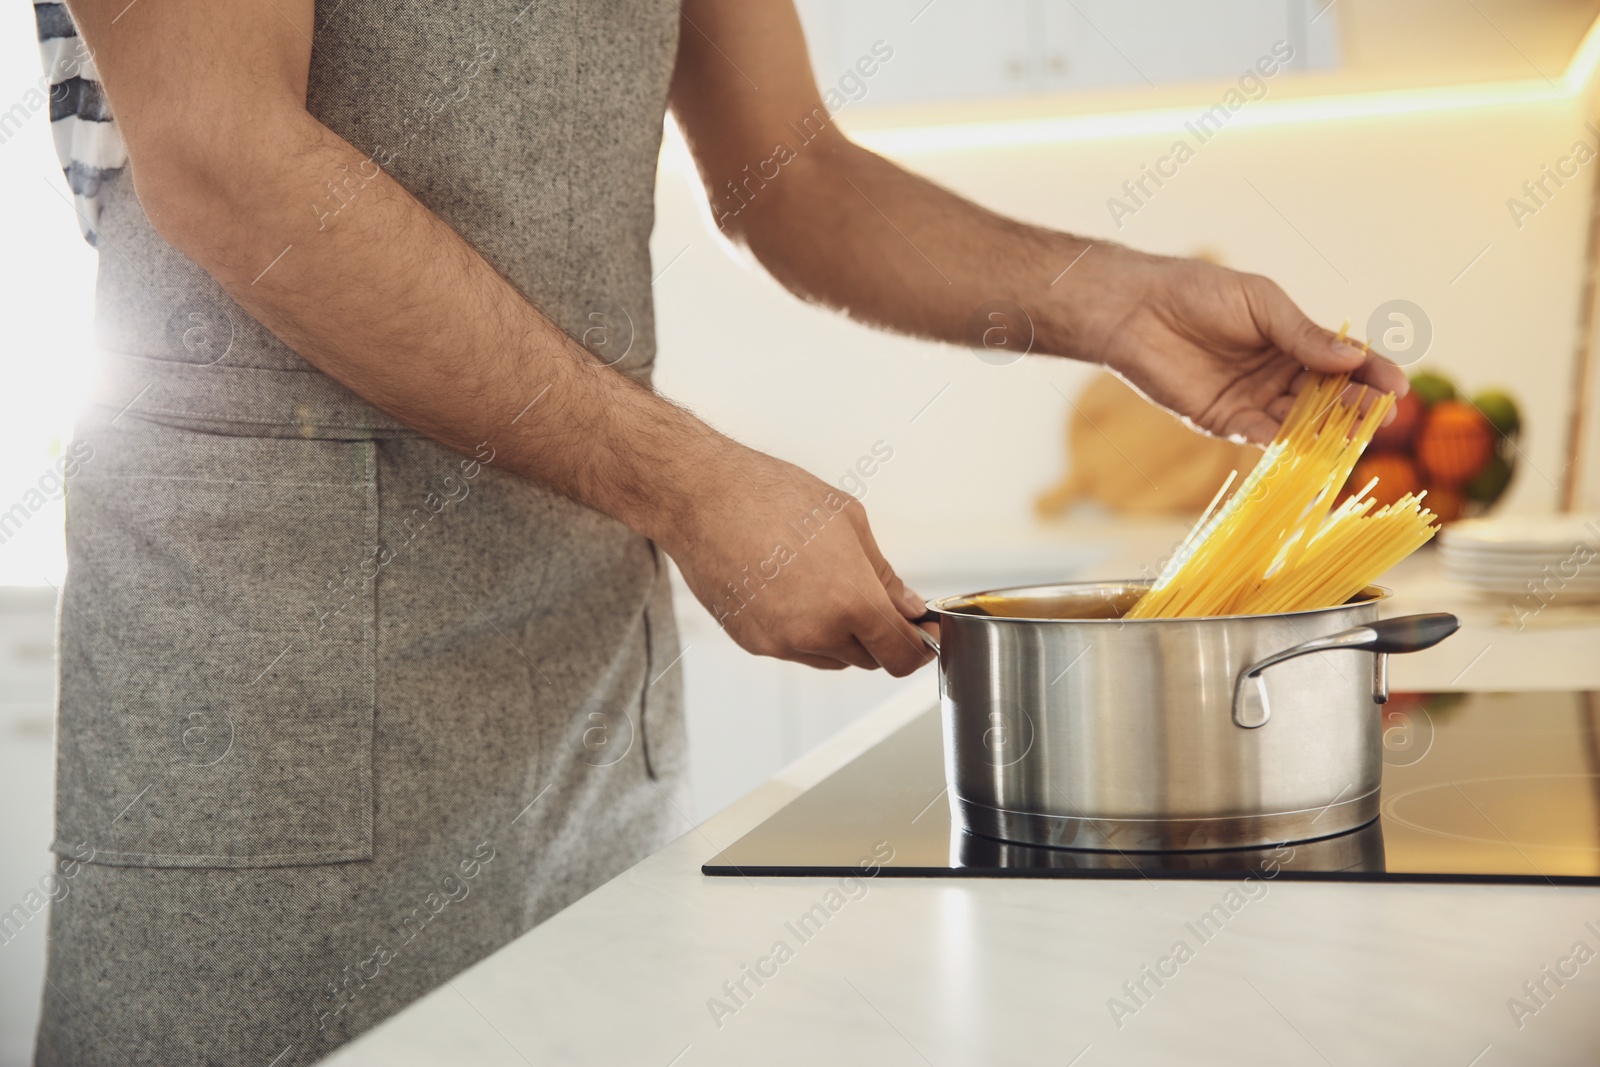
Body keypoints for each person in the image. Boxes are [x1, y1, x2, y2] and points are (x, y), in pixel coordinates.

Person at [31, 0, 1404, 1062]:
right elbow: (221, 155)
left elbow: (790, 175)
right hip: (273, 690)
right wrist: (688, 483)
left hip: (583, 687)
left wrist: (1115, 300)